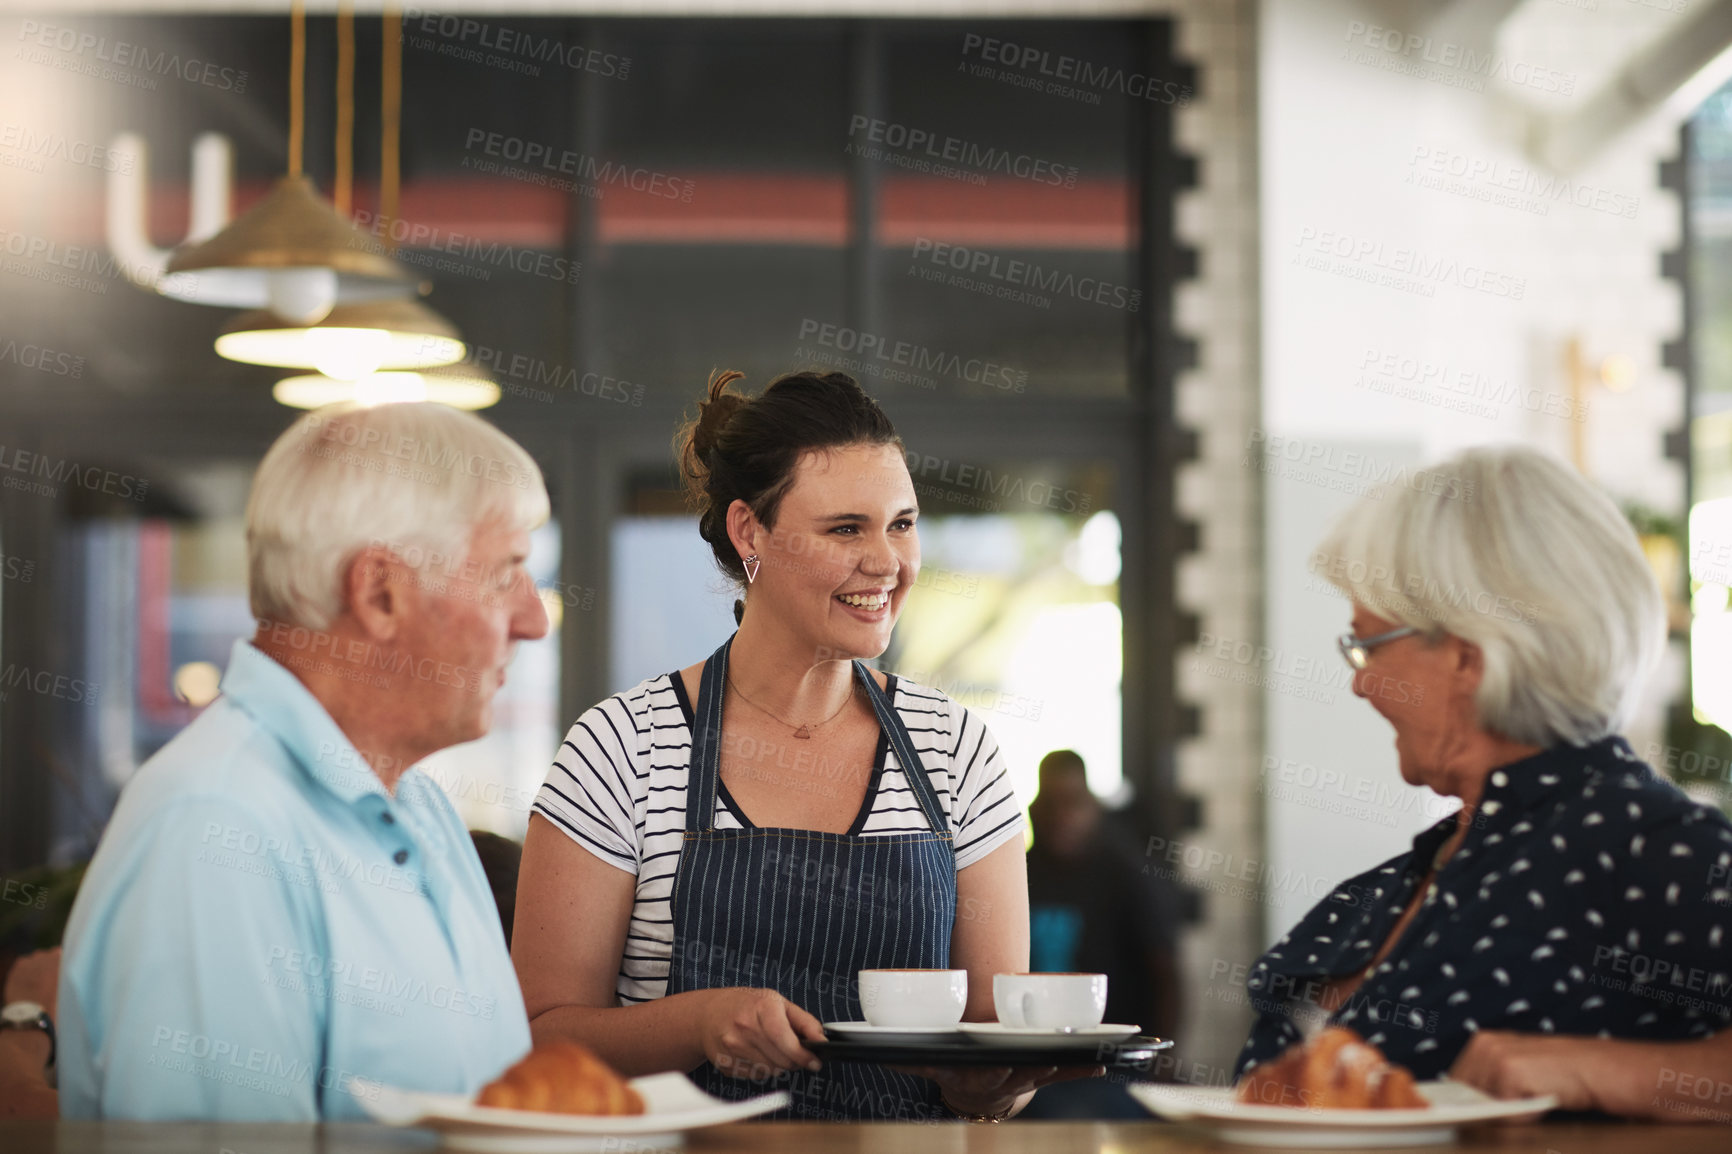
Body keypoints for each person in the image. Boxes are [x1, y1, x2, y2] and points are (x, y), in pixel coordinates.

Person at [513, 370, 1082, 1122]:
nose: (887, 562)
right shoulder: (621, 748)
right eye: (846, 528)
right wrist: (696, 1023)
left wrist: (995, 1086)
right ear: (751, 532)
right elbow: (536, 1038)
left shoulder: (956, 750)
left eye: (902, 524)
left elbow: (992, 1044)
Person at [55, 402, 550, 1119]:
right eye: (506, 573)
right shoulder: (216, 828)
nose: (534, 619)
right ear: (380, 590)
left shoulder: (421, 808)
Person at [1235, 445, 1732, 1117]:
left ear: (1467, 656)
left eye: (1367, 644)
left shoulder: (1658, 848)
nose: (1358, 681)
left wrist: (1601, 1070)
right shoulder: (1403, 879)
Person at [1019, 750, 1180, 1119]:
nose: (1063, 816)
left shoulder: (1126, 875)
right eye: (1051, 804)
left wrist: (1162, 1062)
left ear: (1093, 807)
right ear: (1033, 810)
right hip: (1030, 1064)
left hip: (1111, 1066)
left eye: (1073, 803)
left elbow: (1165, 971)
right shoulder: (1018, 873)